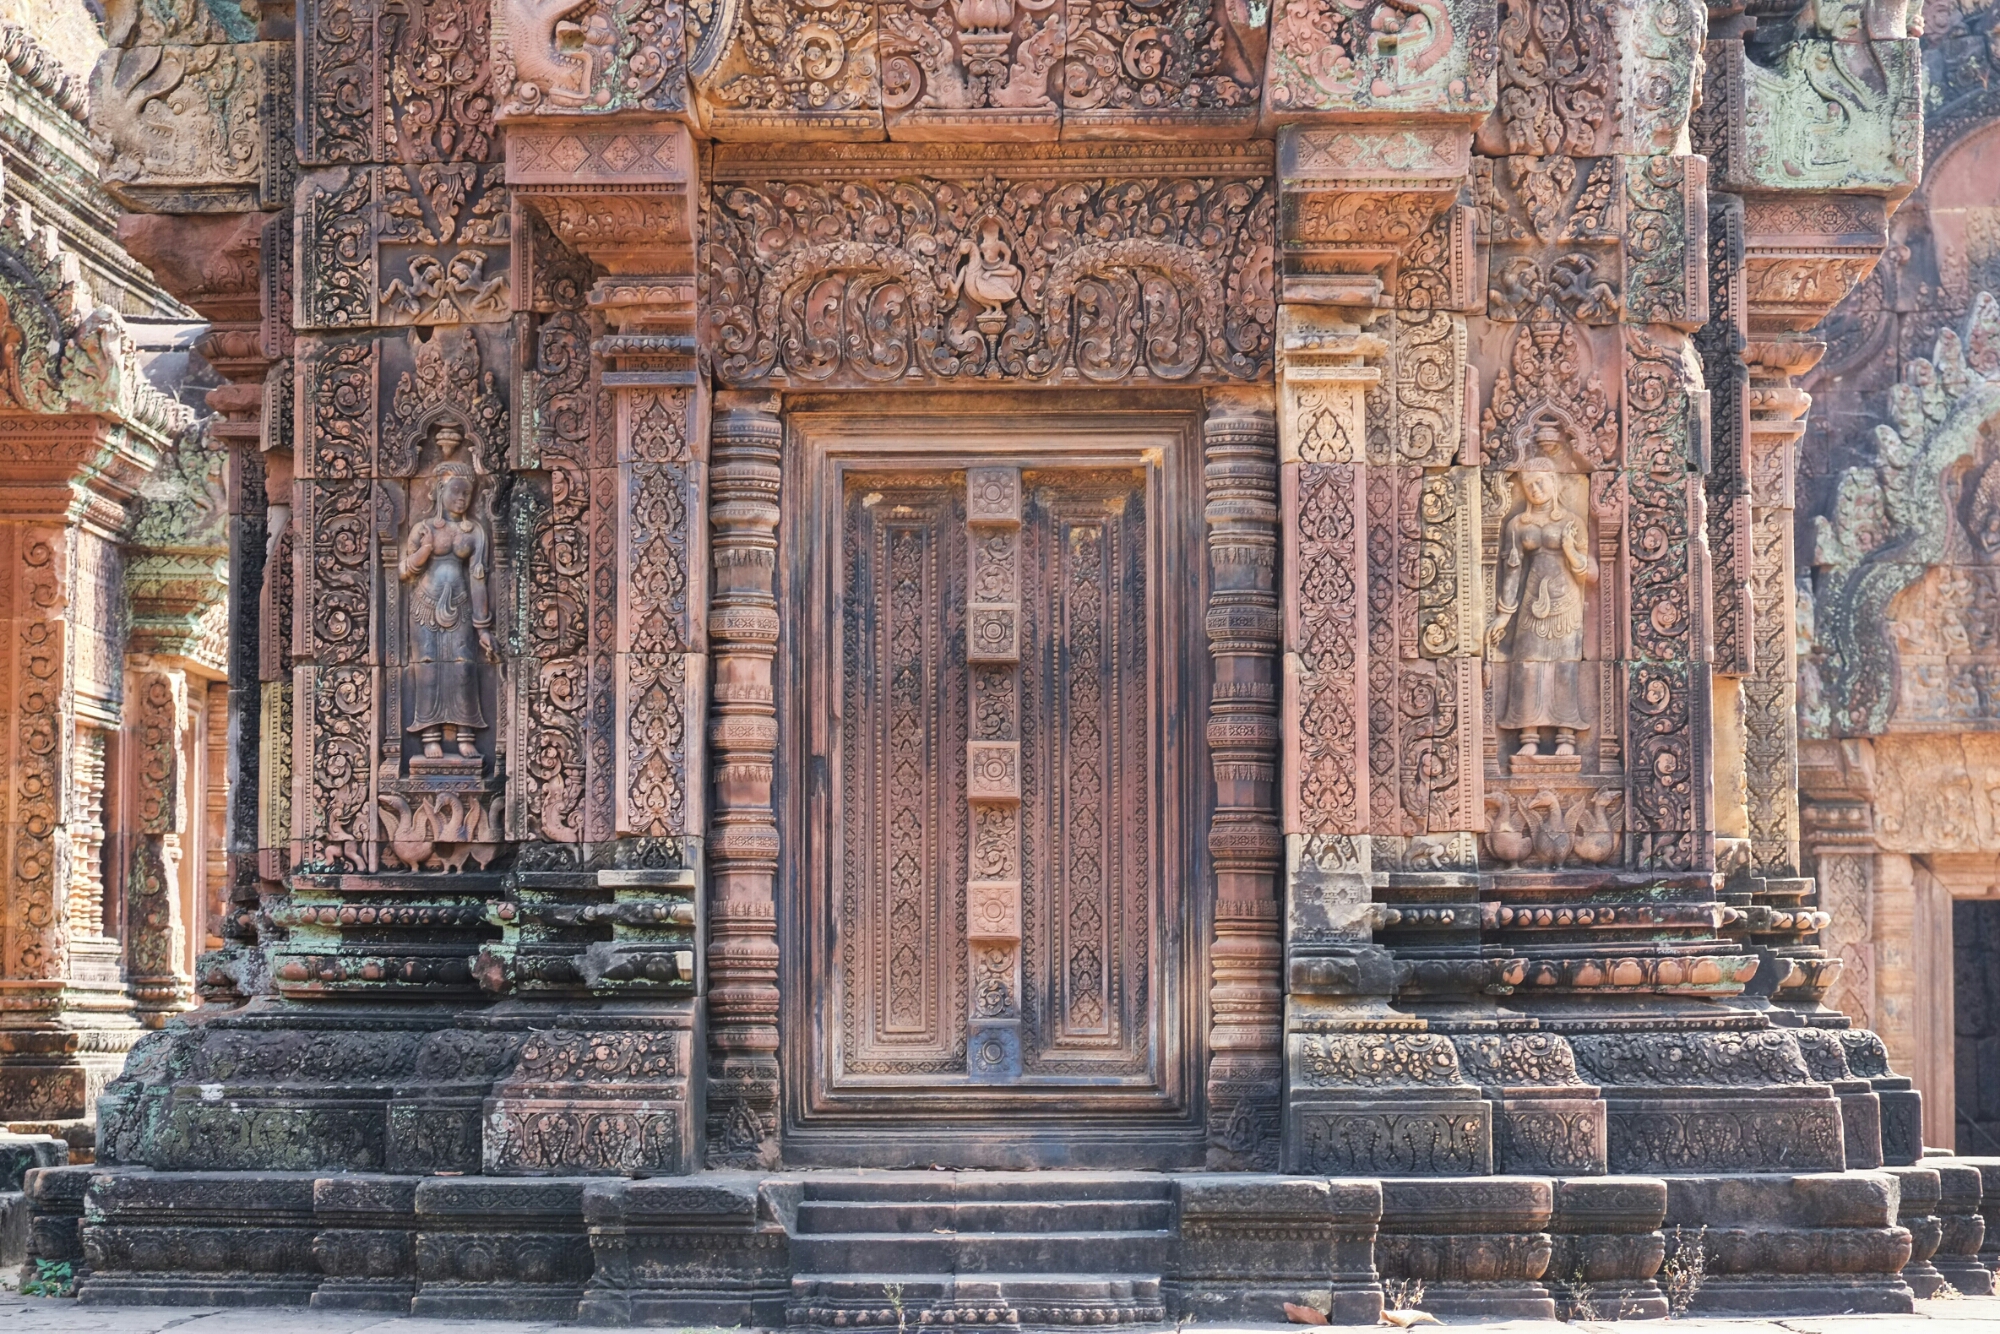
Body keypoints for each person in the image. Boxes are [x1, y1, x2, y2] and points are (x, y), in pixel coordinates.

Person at [1486, 444, 1593, 757]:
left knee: (1565, 666)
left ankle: (1565, 738)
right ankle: (1528, 737)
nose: (1535, 489)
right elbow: (1512, 573)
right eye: (1528, 485)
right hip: (1532, 601)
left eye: (1541, 482)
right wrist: (1504, 615)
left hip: (1566, 601)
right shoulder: (1518, 526)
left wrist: (1572, 551)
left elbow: (1591, 574)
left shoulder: (1572, 521)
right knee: (1527, 664)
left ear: (1555, 482)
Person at [400, 424, 492, 760]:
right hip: (425, 605)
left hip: (462, 606)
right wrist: (423, 553)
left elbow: (479, 576)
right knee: (427, 666)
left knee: (464, 665)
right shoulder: (424, 528)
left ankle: (465, 733)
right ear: (439, 492)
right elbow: (402, 570)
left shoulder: (474, 532)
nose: (461, 498)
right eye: (455, 491)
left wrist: (483, 628)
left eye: (466, 493)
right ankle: (430, 736)